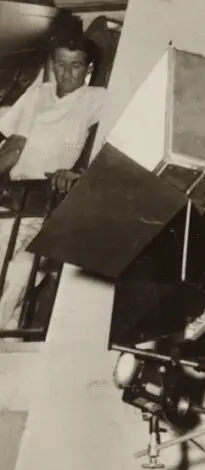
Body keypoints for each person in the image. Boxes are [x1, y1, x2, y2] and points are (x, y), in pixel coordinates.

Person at [0, 30, 105, 332]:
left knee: (21, 271)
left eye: (75, 65)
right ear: (52, 64)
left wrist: (79, 173)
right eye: (60, 64)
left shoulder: (97, 99)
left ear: (88, 69)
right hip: (14, 198)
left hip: (51, 204)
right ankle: (9, 334)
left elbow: (113, 141)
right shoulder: (38, 94)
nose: (66, 73)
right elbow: (14, 145)